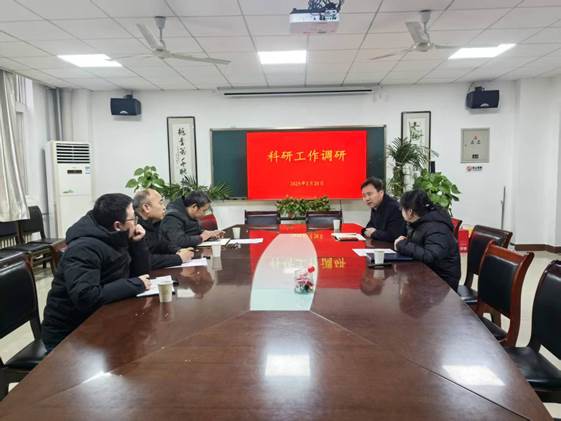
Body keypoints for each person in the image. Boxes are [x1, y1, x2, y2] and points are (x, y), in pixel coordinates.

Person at [42, 193, 151, 351]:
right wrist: (135, 284)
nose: (136, 223)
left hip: (101, 318)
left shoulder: (117, 236)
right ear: (117, 225)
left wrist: (138, 244)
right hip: (70, 334)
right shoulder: (83, 248)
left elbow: (142, 275)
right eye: (133, 219)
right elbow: (86, 296)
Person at [394, 189, 461, 291]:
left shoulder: (437, 227)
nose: (401, 212)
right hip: (428, 275)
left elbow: (430, 256)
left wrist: (402, 244)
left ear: (410, 211)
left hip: (442, 284)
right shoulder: (418, 222)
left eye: (402, 209)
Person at [133, 189, 194, 269]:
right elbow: (145, 260)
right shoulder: (134, 226)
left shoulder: (153, 222)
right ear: (146, 207)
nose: (164, 207)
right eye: (160, 203)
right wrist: (179, 258)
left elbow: (162, 244)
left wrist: (178, 250)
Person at [361, 177, 406, 242]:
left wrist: (374, 233)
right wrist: (371, 232)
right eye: (364, 196)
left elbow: (395, 236)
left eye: (369, 194)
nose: (367, 198)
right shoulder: (375, 206)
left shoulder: (395, 208)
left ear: (381, 193)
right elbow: (369, 227)